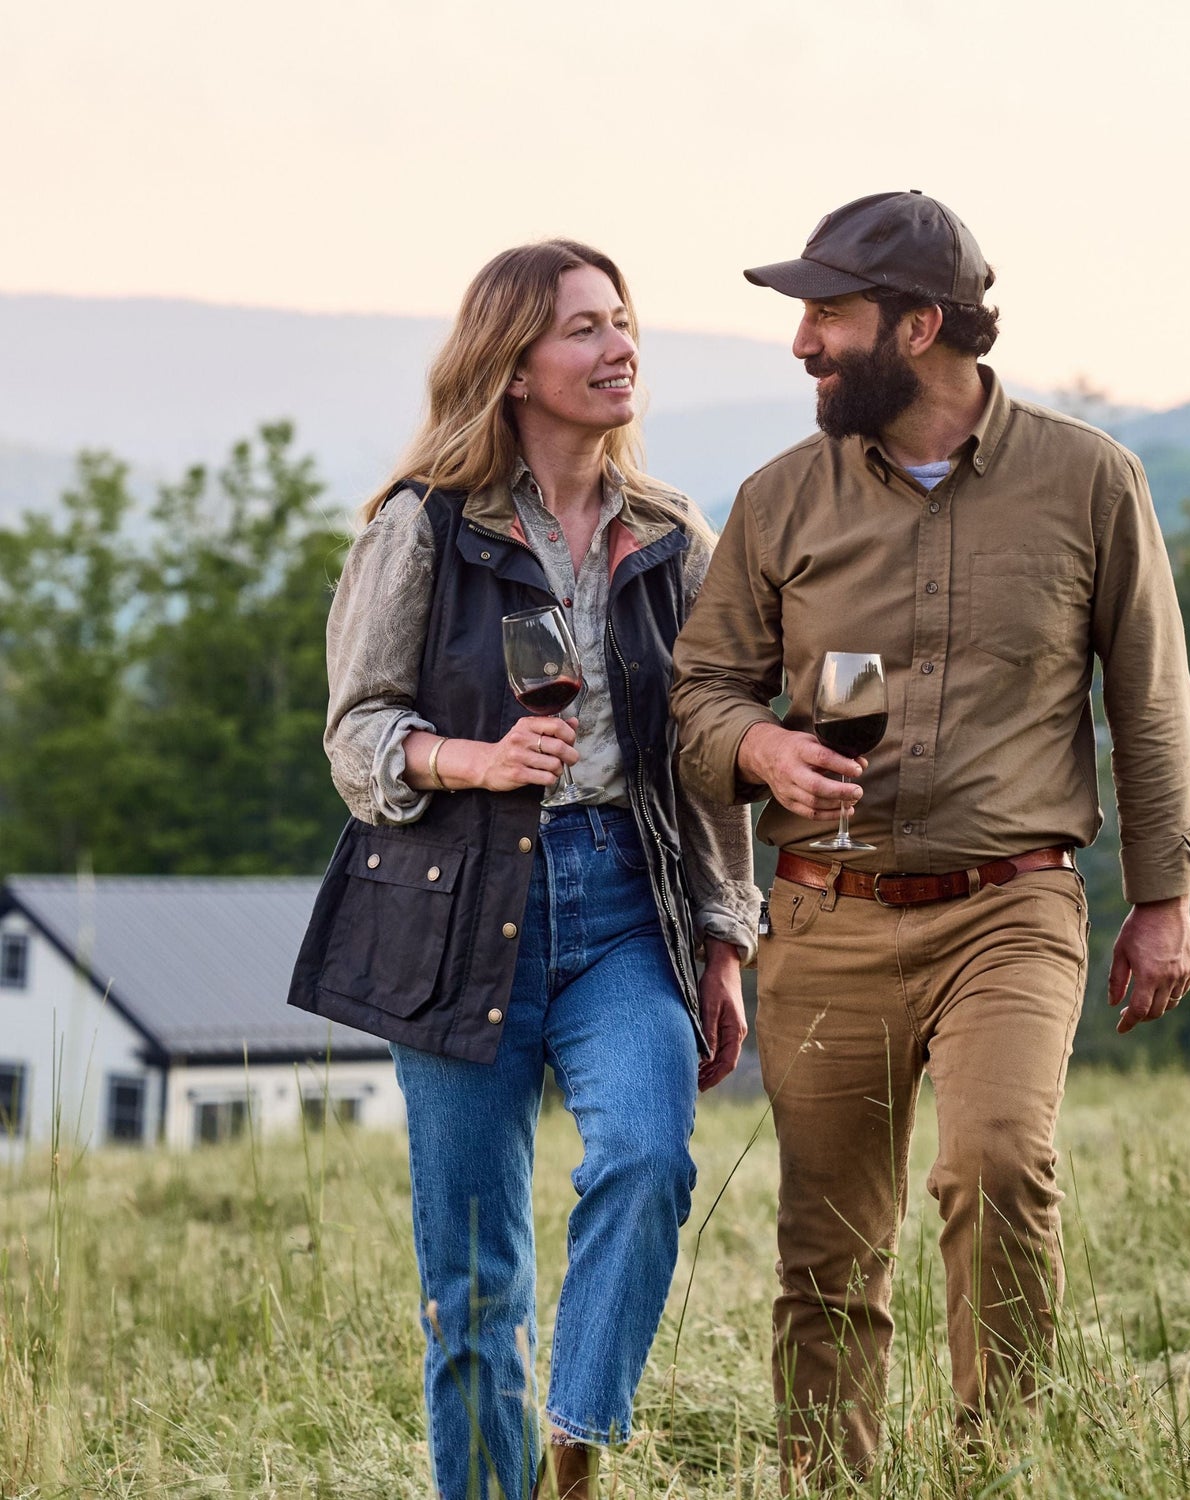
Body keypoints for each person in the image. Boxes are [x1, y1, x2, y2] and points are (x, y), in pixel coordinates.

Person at [671, 191, 1190, 1479]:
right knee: (828, 1251)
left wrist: (1163, 898)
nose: (802, 342)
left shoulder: (1089, 479)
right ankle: (829, 1478)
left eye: (828, 314)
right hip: (824, 911)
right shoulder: (777, 501)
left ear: (921, 325)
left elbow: (1147, 695)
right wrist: (758, 747)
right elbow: (698, 691)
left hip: (1012, 905)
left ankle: (1002, 1464)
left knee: (997, 1163)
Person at [288, 240, 758, 1500]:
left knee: (652, 1159)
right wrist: (472, 762)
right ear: (511, 368)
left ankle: (575, 1443)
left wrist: (723, 938)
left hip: (621, 899)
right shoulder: (419, 528)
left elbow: (703, 751)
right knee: (476, 1279)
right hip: (451, 908)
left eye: (625, 324)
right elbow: (355, 737)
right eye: (586, 330)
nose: (621, 350)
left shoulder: (668, 536)